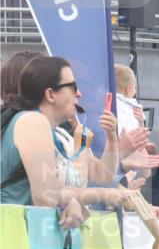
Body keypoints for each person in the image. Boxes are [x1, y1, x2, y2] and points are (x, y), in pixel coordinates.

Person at [1, 55, 133, 227]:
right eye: (73, 86)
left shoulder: (51, 130)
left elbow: (103, 175)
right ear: (50, 94)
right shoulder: (33, 121)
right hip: (12, 237)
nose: (79, 93)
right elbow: (46, 196)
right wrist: (102, 194)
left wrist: (111, 137)